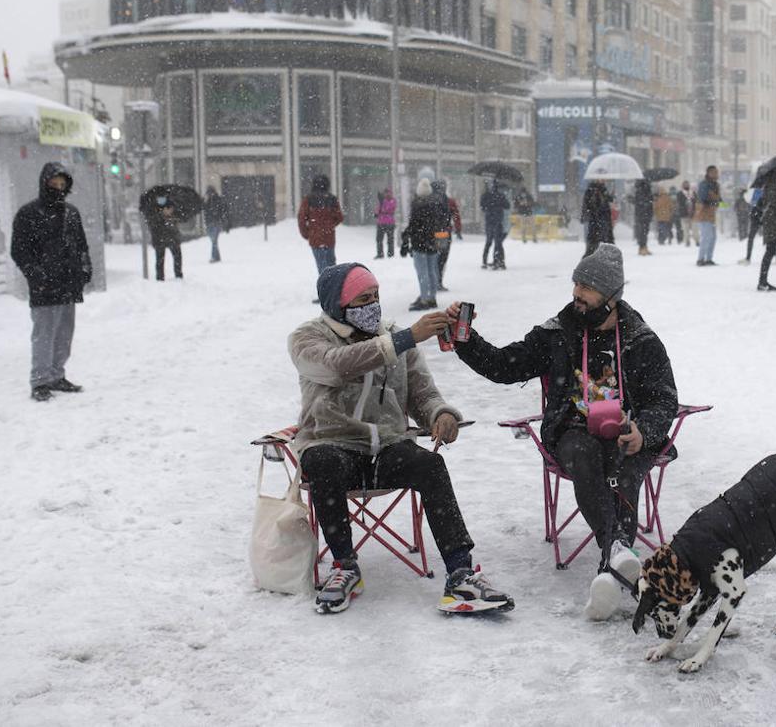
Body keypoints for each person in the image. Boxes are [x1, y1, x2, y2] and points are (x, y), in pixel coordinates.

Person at [448, 243, 678, 617]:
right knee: (585, 456)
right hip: (573, 431)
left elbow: (664, 399)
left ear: (611, 296)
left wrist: (644, 431)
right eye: (576, 284)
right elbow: (505, 366)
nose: (577, 294)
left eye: (587, 287)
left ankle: (612, 566)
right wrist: (465, 338)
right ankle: (618, 551)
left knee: (624, 465)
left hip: (627, 431)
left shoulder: (640, 339)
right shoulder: (557, 332)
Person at [288, 262, 513, 614]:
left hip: (388, 447)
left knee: (430, 465)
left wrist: (441, 414)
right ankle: (344, 567)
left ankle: (461, 573)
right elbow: (336, 365)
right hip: (334, 444)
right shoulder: (308, 338)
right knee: (321, 461)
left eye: (376, 296)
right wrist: (405, 337)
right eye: (363, 298)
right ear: (338, 303)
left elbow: (422, 394)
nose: (373, 305)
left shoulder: (393, 336)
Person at [10, 163, 92, 401]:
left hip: (68, 282)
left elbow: (81, 245)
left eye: (62, 184)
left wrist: (85, 269)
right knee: (44, 333)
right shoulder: (29, 213)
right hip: (44, 284)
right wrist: (35, 274)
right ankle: (39, 380)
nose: (58, 188)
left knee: (64, 333)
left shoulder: (71, 213)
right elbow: (19, 251)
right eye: (53, 184)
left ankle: (56, 374)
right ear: (44, 183)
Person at [406, 178, 445, 311]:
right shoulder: (436, 204)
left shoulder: (417, 204)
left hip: (419, 243)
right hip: (432, 242)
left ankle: (424, 299)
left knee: (422, 272)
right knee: (432, 271)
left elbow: (413, 225)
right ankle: (432, 298)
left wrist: (407, 238)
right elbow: (439, 222)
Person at [298, 174, 343, 274]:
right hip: (329, 237)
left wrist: (307, 233)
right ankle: (333, 285)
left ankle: (324, 285)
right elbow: (340, 217)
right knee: (331, 265)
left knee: (321, 265)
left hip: (315, 237)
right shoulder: (332, 199)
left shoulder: (308, 199)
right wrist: (330, 225)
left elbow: (301, 218)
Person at [143, 191, 183, 281]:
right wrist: (163, 216)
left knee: (176, 257)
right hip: (160, 238)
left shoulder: (172, 207)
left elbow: (177, 221)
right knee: (160, 259)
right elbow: (153, 224)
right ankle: (160, 277)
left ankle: (178, 275)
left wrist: (170, 217)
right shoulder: (154, 211)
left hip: (171, 238)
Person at [694, 166, 721, 266]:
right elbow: (703, 200)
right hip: (703, 214)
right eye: (714, 172)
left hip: (711, 215)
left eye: (717, 172)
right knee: (706, 237)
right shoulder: (704, 184)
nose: (717, 174)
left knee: (713, 237)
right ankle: (700, 259)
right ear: (709, 173)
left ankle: (709, 258)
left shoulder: (716, 185)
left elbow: (719, 201)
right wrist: (715, 203)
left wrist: (724, 205)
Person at [480, 179, 511, 270]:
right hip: (498, 220)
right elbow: (507, 206)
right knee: (498, 243)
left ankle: (485, 261)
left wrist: (490, 206)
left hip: (490, 220)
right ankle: (499, 261)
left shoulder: (485, 196)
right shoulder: (500, 196)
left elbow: (482, 207)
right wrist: (499, 203)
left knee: (489, 242)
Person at [582, 180, 615, 255]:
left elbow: (609, 200)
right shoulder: (591, 190)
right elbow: (589, 205)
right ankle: (588, 262)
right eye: (600, 178)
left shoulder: (604, 189)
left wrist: (611, 196)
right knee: (593, 245)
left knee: (605, 243)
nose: (603, 180)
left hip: (604, 221)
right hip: (595, 221)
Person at [203, 187, 229, 263]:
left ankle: (214, 257)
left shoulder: (218, 201)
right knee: (214, 241)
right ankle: (217, 256)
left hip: (216, 223)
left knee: (214, 240)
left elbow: (223, 211)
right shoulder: (207, 202)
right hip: (210, 223)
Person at [740, 186, 765, 264]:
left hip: (756, 217)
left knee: (751, 238)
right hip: (762, 216)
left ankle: (748, 258)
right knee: (770, 237)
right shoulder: (762, 192)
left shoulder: (754, 192)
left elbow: (756, 205)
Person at [631, 179, 654, 256]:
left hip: (644, 214)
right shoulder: (642, 191)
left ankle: (644, 247)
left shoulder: (644, 191)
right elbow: (641, 202)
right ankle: (642, 248)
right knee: (643, 232)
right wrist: (648, 202)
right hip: (643, 214)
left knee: (645, 231)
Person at [374, 188, 397, 259]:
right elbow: (379, 209)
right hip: (388, 222)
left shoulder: (386, 200)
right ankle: (389, 253)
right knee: (388, 239)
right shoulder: (392, 200)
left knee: (380, 239)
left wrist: (381, 203)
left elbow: (384, 209)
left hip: (383, 222)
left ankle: (382, 254)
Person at [676, 181, 694, 246]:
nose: (686, 186)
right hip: (684, 215)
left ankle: (697, 241)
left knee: (695, 229)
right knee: (685, 230)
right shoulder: (679, 194)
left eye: (687, 184)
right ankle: (687, 242)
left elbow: (696, 202)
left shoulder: (693, 193)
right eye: (685, 185)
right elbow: (679, 203)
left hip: (693, 214)